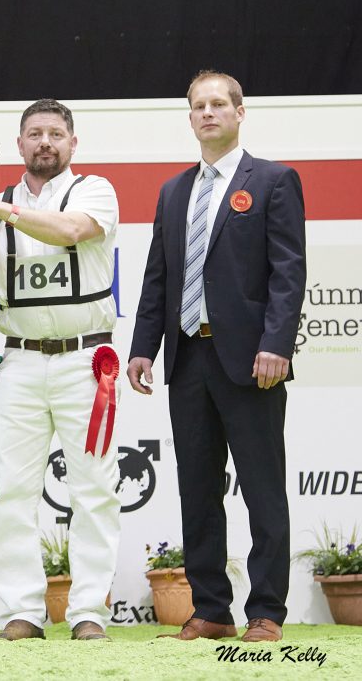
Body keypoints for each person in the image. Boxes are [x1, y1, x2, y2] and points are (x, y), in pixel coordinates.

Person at [127, 71, 306, 643]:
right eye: (199, 106)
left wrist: (276, 343)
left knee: (261, 488)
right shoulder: (174, 191)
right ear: (190, 118)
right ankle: (211, 610)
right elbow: (159, 277)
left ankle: (267, 612)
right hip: (187, 360)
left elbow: (287, 273)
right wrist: (141, 348)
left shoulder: (275, 181)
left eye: (219, 104)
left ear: (239, 112)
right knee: (197, 489)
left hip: (252, 361)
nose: (209, 113)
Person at [0, 99, 121, 641]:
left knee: (93, 489)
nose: (44, 142)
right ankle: (21, 611)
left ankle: (89, 610)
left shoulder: (94, 190)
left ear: (74, 143)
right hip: (21, 358)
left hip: (85, 361)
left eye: (55, 133)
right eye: (34, 134)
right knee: (13, 493)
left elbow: (70, 231)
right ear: (19, 143)